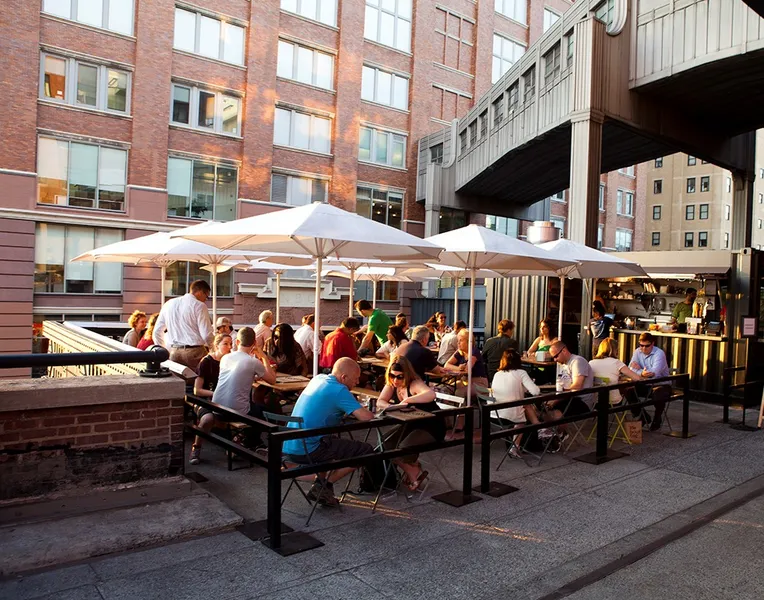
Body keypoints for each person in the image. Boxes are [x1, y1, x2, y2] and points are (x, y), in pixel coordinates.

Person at [284, 358, 375, 506]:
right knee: (367, 451)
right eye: (355, 379)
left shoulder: (318, 379)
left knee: (333, 445)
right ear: (343, 377)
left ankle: (323, 489)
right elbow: (366, 417)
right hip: (310, 449)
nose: (357, 383)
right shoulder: (339, 390)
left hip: (289, 445)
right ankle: (322, 485)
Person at [189, 327, 276, 465]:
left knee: (254, 407)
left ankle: (243, 442)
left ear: (237, 341)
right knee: (263, 411)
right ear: (254, 342)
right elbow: (272, 380)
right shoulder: (253, 361)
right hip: (236, 411)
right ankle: (250, 443)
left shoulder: (226, 358)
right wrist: (263, 357)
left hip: (217, 407)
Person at [378, 356, 445, 491]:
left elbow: (430, 395)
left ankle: (412, 471)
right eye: (392, 375)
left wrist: (407, 401)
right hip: (411, 424)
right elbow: (380, 401)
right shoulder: (392, 383)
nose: (395, 380)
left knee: (402, 448)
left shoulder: (414, 383)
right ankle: (413, 469)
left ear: (407, 375)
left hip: (430, 425)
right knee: (385, 444)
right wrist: (392, 407)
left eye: (400, 377)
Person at [153, 279, 214, 371]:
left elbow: (157, 331)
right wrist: (213, 348)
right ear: (200, 292)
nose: (206, 300)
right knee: (200, 381)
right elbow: (206, 334)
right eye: (206, 296)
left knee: (178, 383)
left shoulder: (168, 304)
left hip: (174, 352)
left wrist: (164, 351)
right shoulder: (199, 306)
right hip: (195, 353)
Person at [490, 348, 540, 457]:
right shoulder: (521, 373)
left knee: (525, 405)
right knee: (521, 418)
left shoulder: (497, 374)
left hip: (494, 414)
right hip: (511, 416)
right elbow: (536, 392)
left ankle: (540, 429)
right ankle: (516, 446)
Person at [544, 341, 594, 437]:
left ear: (564, 351)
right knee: (542, 406)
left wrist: (556, 400)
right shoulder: (562, 364)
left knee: (554, 409)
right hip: (568, 397)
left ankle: (560, 434)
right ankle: (553, 433)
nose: (554, 360)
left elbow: (577, 386)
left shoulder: (577, 361)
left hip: (581, 400)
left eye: (556, 356)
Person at [627, 332, 671, 431]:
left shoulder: (659, 353)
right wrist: (642, 372)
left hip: (661, 383)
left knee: (658, 393)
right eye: (641, 345)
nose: (643, 348)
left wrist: (638, 371)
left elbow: (653, 373)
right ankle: (642, 415)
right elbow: (630, 368)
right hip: (644, 383)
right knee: (628, 390)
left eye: (647, 346)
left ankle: (657, 418)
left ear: (652, 344)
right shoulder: (637, 352)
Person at [589, 338, 643, 415]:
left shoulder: (591, 362)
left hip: (594, 402)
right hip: (613, 401)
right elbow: (637, 378)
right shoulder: (616, 362)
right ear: (615, 350)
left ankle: (642, 417)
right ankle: (640, 416)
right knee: (629, 390)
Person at [444, 329, 490, 398]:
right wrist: (458, 368)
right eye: (457, 341)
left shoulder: (474, 352)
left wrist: (458, 369)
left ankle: (463, 408)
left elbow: (467, 370)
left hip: (479, 383)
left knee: (459, 392)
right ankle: (450, 407)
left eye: (461, 340)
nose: (458, 343)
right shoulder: (459, 352)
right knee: (446, 389)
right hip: (465, 381)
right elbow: (446, 365)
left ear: (468, 342)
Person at [193, 333, 233, 398]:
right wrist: (217, 394)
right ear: (217, 346)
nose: (230, 347)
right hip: (208, 400)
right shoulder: (206, 362)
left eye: (231, 344)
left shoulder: (229, 360)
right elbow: (197, 390)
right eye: (225, 344)